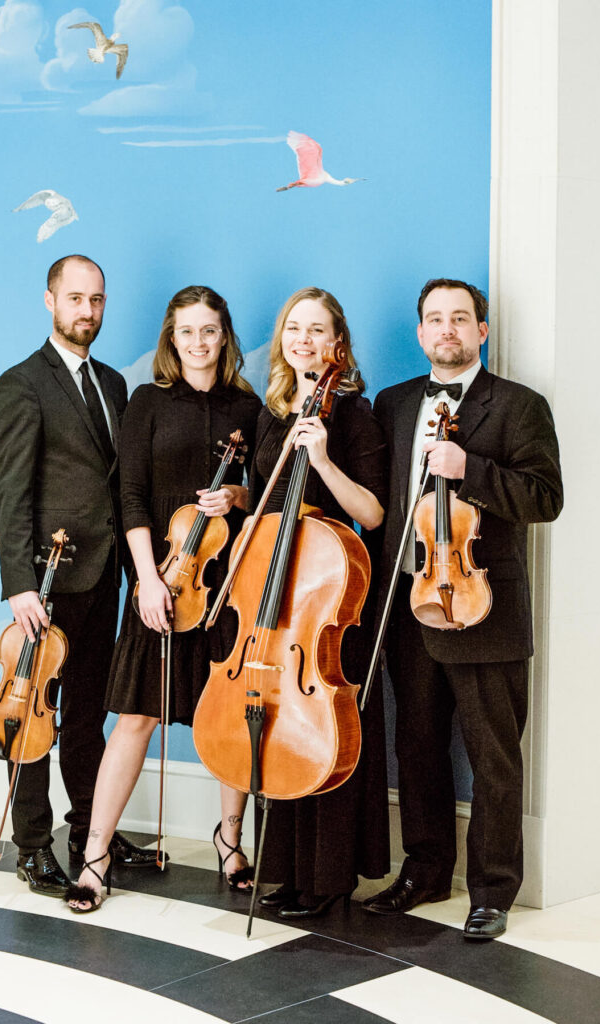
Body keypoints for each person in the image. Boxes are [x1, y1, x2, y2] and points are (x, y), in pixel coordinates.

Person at [364, 278, 563, 939]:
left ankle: (492, 894)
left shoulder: (518, 406)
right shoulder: (392, 404)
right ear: (419, 333)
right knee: (415, 748)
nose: (445, 329)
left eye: (459, 318)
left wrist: (467, 466)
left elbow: (543, 498)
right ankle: (422, 873)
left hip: (483, 608)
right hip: (409, 608)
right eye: (433, 319)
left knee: (492, 759)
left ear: (481, 330)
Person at [66, 285, 262, 912]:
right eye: (187, 332)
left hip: (226, 589)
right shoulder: (147, 403)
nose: (199, 343)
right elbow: (130, 498)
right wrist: (147, 580)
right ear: (170, 339)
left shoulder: (248, 406)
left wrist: (235, 498)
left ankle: (230, 842)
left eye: (210, 331)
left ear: (223, 336)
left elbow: (264, 496)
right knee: (135, 719)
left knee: (231, 716)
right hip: (165, 583)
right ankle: (96, 856)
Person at [0, 254, 155, 898]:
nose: (88, 311)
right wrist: (18, 583)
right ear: (50, 300)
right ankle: (33, 848)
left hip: (106, 573)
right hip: (48, 581)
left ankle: (92, 827)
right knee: (36, 713)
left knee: (88, 712)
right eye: (76, 298)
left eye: (98, 300)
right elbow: (11, 492)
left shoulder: (114, 384)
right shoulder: (21, 383)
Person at [248, 286, 390, 920]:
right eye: (293, 328)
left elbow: (373, 513)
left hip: (330, 607)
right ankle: (280, 869)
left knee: (326, 731)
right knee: (277, 729)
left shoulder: (355, 415)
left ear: (338, 343)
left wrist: (324, 460)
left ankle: (328, 877)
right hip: (278, 605)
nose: (303, 339)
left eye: (317, 330)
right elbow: (265, 505)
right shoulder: (269, 414)